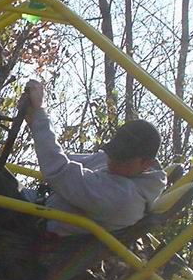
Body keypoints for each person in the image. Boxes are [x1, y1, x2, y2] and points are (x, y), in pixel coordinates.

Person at [18, 79, 166, 235]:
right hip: (36, 205)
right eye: (113, 152)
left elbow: (58, 171)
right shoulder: (114, 165)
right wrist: (34, 121)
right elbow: (61, 159)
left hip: (32, 228)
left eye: (122, 159)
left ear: (146, 164)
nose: (113, 161)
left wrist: (40, 113)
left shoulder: (124, 198)